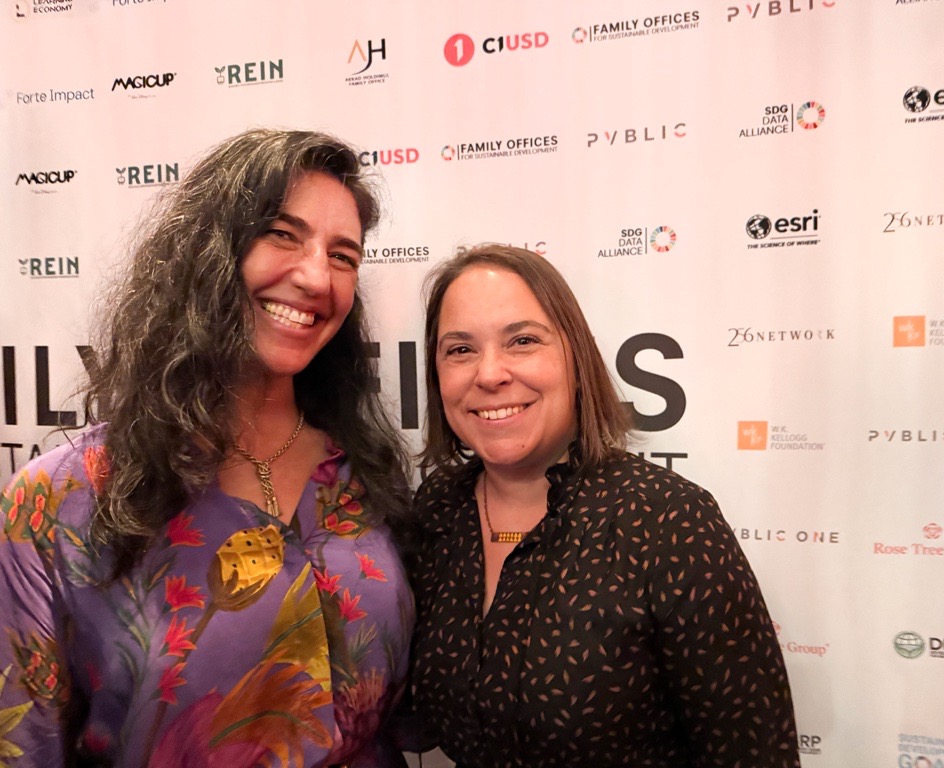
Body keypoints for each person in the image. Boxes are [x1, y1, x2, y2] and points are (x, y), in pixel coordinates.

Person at [0, 129, 414, 767]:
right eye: (282, 234)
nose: (316, 277)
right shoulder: (57, 501)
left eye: (343, 256)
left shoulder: (365, 477)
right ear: (208, 252)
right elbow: (26, 747)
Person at [405, 244, 800, 767]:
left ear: (576, 358)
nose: (490, 373)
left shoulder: (669, 521)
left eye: (522, 341)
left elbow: (755, 754)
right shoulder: (437, 510)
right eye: (460, 349)